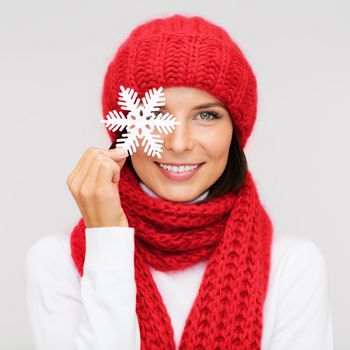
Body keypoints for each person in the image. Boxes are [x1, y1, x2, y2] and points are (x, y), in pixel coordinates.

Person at [24, 14, 334, 350]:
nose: (178, 143)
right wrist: (107, 238)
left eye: (206, 115)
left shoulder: (293, 266)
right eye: (156, 114)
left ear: (235, 131)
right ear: (125, 128)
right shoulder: (56, 261)